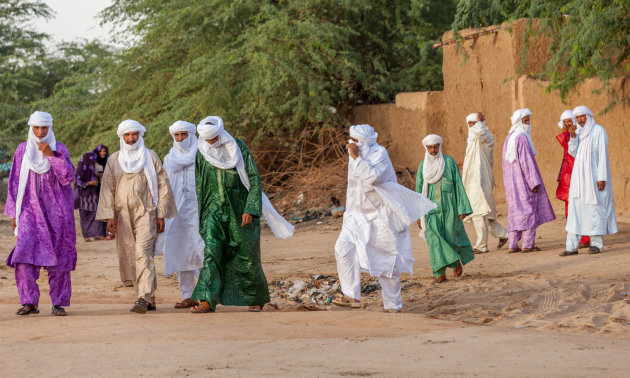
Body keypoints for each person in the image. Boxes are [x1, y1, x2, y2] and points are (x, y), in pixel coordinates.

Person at [190, 116, 294, 313]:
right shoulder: (201, 152)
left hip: (239, 210)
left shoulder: (237, 147)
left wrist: (250, 208)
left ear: (220, 133)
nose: (211, 142)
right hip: (213, 210)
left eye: (213, 138)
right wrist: (203, 217)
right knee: (212, 252)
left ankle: (255, 297)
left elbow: (253, 178)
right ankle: (207, 300)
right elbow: (200, 185)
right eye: (207, 139)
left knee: (246, 255)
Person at [333, 124, 435, 312]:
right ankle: (351, 296)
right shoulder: (354, 156)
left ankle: (393, 305)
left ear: (362, 142)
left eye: (353, 141)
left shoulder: (379, 153)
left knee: (385, 263)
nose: (349, 144)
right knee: (342, 249)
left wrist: (356, 158)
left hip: (380, 217)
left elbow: (373, 178)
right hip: (356, 216)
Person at [96, 119, 177, 313]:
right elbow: (107, 189)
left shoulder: (150, 156)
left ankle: (142, 297)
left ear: (140, 135)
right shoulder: (114, 159)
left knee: (143, 252)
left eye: (134, 134)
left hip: (146, 212)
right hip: (122, 214)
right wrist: (110, 217)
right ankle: (150, 298)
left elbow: (163, 185)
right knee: (130, 254)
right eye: (127, 135)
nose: (131, 138)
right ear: (121, 137)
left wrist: (161, 214)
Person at [4, 111, 76, 316]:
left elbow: (68, 176)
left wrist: (51, 156)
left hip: (58, 213)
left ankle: (59, 302)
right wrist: (14, 215)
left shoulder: (59, 149)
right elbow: (15, 183)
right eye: (36, 128)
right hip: (28, 211)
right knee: (24, 254)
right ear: (31, 128)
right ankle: (29, 302)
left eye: (44, 128)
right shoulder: (22, 150)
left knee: (59, 256)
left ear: (50, 128)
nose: (40, 132)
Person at [155, 121, 205, 308]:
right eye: (177, 135)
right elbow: (164, 187)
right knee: (179, 250)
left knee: (200, 250)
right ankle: (187, 295)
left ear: (191, 135)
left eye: (184, 135)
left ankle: (206, 292)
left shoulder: (202, 155)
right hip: (176, 213)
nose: (180, 139)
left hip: (198, 210)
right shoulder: (169, 158)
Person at [416, 134, 474, 283]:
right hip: (430, 209)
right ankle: (440, 272)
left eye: (436, 147)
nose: (433, 150)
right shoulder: (423, 166)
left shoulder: (448, 162)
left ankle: (454, 262)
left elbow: (458, 185)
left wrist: (462, 208)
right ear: (426, 148)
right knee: (434, 239)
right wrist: (418, 213)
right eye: (430, 147)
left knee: (450, 237)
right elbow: (418, 191)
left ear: (439, 147)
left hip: (450, 208)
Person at [561, 106, 617, 256]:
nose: (580, 120)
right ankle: (571, 247)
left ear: (588, 116)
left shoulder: (598, 131)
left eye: (582, 117)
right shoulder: (577, 132)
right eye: (577, 117)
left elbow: (603, 155)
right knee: (575, 210)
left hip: (593, 178)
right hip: (578, 178)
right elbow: (573, 152)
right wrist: (572, 137)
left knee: (594, 210)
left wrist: (602, 178)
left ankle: (596, 245)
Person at [502, 108, 555, 253]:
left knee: (514, 213)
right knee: (529, 210)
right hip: (524, 183)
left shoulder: (509, 137)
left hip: (512, 185)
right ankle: (527, 244)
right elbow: (527, 162)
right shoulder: (522, 138)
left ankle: (513, 244)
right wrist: (533, 182)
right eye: (525, 121)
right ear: (519, 122)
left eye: (529, 120)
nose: (528, 124)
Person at [461, 112, 508, 254]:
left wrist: (480, 123)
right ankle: (506, 235)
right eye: (470, 124)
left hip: (481, 181)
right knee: (484, 212)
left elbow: (481, 133)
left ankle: (481, 245)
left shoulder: (485, 137)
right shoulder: (472, 140)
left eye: (474, 123)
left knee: (478, 212)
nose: (472, 127)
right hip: (472, 182)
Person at [555, 110, 590, 248]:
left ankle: (586, 238)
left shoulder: (578, 135)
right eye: (564, 122)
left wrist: (569, 133)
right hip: (568, 177)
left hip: (579, 175)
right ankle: (576, 236)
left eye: (569, 121)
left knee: (582, 207)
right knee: (570, 210)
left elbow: (571, 149)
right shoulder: (570, 135)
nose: (567, 124)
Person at [75, 144, 109, 241]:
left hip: (93, 195)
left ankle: (99, 234)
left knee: (95, 213)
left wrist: (97, 177)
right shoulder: (82, 170)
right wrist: (90, 183)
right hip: (84, 196)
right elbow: (78, 182)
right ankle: (86, 236)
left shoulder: (93, 169)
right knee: (85, 216)